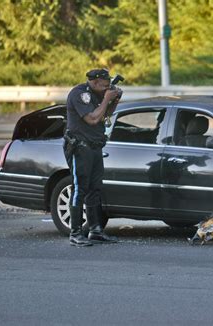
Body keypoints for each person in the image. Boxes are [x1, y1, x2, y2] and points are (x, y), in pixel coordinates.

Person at [64, 68, 121, 247]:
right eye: (104, 86)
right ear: (95, 82)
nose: (106, 89)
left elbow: (106, 115)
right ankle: (75, 233)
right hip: (80, 147)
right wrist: (106, 98)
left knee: (95, 188)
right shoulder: (80, 94)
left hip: (95, 146)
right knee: (79, 188)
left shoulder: (99, 94)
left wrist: (114, 100)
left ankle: (95, 230)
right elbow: (92, 119)